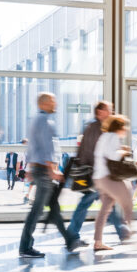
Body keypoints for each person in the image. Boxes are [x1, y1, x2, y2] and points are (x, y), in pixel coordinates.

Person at [18, 93, 81, 258]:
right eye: (52, 101)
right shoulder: (45, 121)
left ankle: (70, 240)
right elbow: (47, 148)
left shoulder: (35, 120)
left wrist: (33, 168)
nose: (56, 103)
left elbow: (34, 147)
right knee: (37, 210)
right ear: (44, 103)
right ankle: (25, 247)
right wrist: (52, 170)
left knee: (53, 208)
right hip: (45, 171)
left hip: (40, 169)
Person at [67, 101, 127, 243]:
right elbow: (95, 152)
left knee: (103, 203)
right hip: (95, 174)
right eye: (109, 110)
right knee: (101, 203)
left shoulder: (94, 127)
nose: (111, 112)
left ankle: (72, 234)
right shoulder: (97, 128)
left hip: (94, 173)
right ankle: (122, 232)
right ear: (100, 112)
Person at [92, 115, 136, 251]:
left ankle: (98, 242)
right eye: (124, 127)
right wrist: (123, 151)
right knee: (127, 201)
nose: (126, 130)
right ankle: (134, 236)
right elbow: (113, 155)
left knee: (105, 209)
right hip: (107, 177)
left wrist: (120, 149)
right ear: (119, 127)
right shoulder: (112, 136)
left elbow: (106, 153)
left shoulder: (105, 136)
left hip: (99, 177)